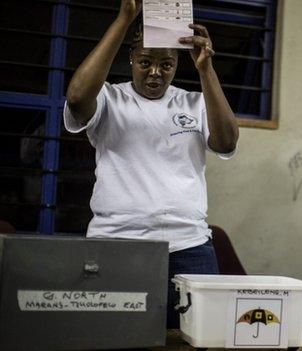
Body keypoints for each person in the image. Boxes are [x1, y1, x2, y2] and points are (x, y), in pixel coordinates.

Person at [63, 0, 239, 328]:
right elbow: (75, 99)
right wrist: (124, 19)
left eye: (166, 64)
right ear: (130, 59)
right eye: (145, 62)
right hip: (116, 245)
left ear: (176, 64)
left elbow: (227, 142)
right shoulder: (108, 99)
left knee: (198, 337)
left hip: (189, 247)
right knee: (110, 337)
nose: (155, 73)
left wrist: (206, 70)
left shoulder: (194, 102)